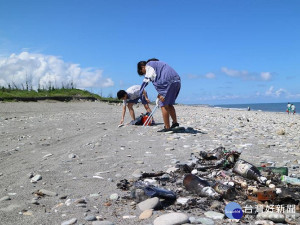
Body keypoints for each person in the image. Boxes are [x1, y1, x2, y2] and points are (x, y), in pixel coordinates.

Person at [137, 58, 181, 132]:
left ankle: (167, 127)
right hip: (177, 81)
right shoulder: (161, 65)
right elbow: (161, 84)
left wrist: (141, 90)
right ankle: (175, 123)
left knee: (163, 104)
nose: (144, 73)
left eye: (143, 72)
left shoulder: (149, 64)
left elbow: (148, 78)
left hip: (167, 82)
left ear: (142, 67)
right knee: (169, 103)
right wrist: (159, 95)